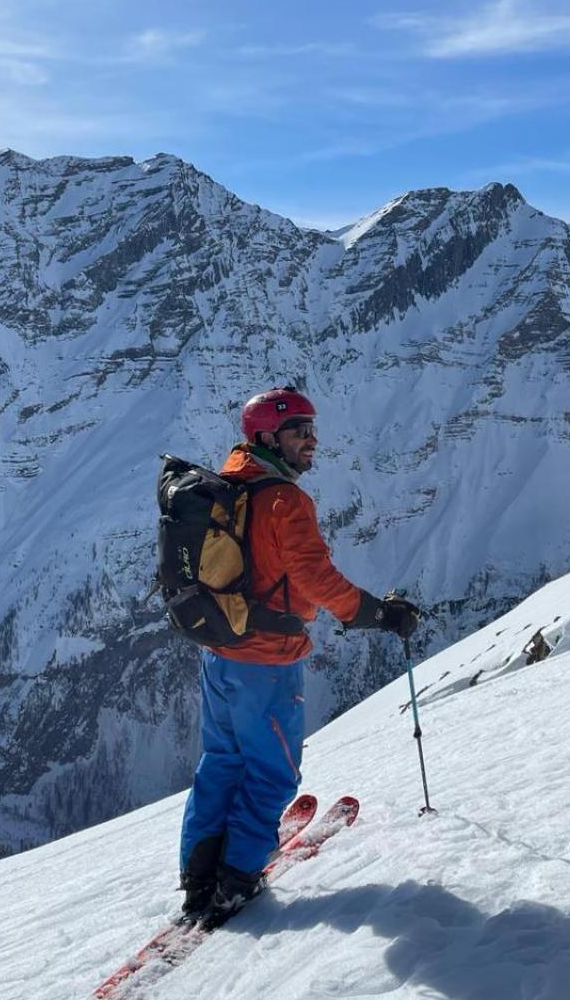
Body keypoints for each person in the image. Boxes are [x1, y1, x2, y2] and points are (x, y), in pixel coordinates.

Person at [177, 386, 418, 926]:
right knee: (272, 773)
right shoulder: (284, 500)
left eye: (312, 428)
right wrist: (378, 613)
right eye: (298, 431)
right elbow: (315, 578)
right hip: (267, 659)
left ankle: (198, 878)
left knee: (221, 763)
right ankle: (236, 880)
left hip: (221, 651)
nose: (312, 441)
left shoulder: (230, 481)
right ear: (267, 437)